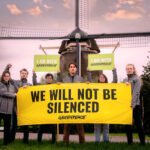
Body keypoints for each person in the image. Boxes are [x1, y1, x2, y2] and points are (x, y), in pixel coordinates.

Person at [5, 64, 32, 143]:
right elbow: (7, 77)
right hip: (15, 107)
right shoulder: (15, 82)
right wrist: (7, 68)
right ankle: (11, 140)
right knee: (13, 125)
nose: (23, 74)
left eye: (25, 73)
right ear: (20, 74)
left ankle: (25, 141)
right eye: (22, 73)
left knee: (25, 125)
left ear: (27, 75)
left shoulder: (30, 85)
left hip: (25, 108)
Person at [62, 63, 85, 144]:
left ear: (76, 69)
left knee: (80, 126)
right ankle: (65, 142)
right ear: (69, 69)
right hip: (67, 105)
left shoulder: (81, 79)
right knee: (66, 126)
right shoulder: (64, 79)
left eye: (74, 67)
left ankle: (82, 143)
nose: (72, 68)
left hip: (78, 105)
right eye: (71, 67)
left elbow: (84, 90)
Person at [123, 64, 145, 145]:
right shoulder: (125, 79)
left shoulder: (137, 79)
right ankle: (130, 142)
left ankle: (142, 142)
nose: (129, 70)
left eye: (130, 68)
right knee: (127, 124)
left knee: (138, 124)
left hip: (136, 105)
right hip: (127, 106)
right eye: (127, 68)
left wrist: (132, 105)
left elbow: (136, 93)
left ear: (133, 69)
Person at [94, 68, 118, 143]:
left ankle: (106, 141)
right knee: (97, 127)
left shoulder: (109, 86)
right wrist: (88, 71)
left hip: (106, 110)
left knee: (106, 127)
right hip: (97, 110)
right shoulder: (94, 87)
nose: (101, 78)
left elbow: (115, 81)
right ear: (98, 79)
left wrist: (114, 70)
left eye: (103, 77)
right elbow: (89, 81)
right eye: (100, 77)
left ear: (105, 79)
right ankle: (97, 141)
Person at [32, 72, 56, 143]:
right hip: (44, 110)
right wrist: (34, 75)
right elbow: (35, 84)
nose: (49, 79)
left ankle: (53, 142)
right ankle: (39, 141)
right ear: (46, 79)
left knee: (53, 127)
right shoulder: (41, 86)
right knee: (41, 127)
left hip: (52, 110)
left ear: (52, 79)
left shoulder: (55, 87)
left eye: (50, 78)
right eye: (48, 78)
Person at [0, 71, 17, 145]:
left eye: (8, 76)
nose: (6, 77)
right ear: (3, 77)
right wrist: (13, 95)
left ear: (9, 77)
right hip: (0, 110)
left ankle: (6, 143)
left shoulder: (12, 86)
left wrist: (24, 88)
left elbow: (18, 91)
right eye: (5, 76)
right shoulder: (0, 84)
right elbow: (3, 93)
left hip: (8, 111)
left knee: (7, 128)